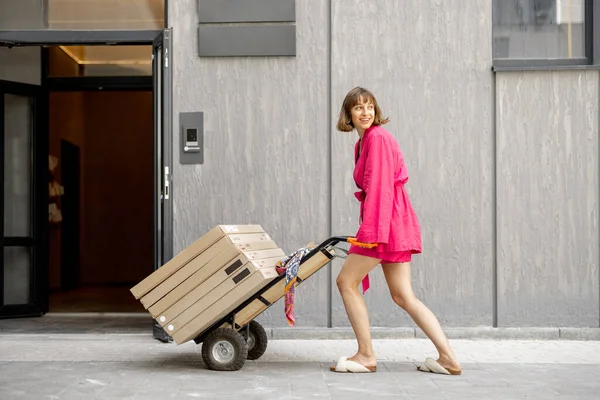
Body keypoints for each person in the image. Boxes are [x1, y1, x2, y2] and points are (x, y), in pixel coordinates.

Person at [329, 87, 461, 375]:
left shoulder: (377, 138)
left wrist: (371, 232)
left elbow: (379, 189)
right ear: (348, 115)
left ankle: (365, 355)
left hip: (385, 223)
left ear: (376, 111)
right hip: (391, 220)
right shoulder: (362, 143)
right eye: (358, 108)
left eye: (370, 107)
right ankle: (448, 358)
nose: (365, 112)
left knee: (346, 282)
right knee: (403, 296)